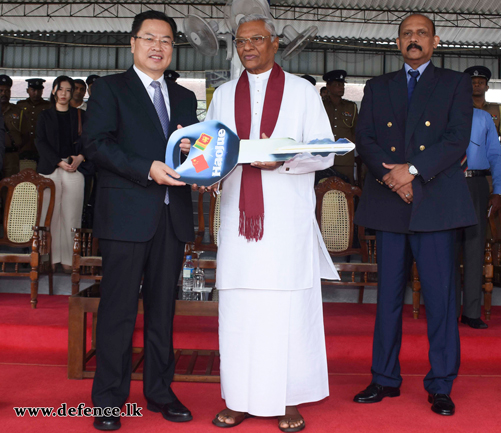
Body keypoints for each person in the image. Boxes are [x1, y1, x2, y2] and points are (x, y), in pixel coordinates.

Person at [206, 14, 338, 432]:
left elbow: (325, 153)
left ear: (275, 43)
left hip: (284, 219)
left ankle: (288, 399)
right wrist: (203, 170)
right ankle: (242, 397)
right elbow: (211, 152)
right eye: (240, 41)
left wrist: (282, 161)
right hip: (238, 220)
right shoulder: (223, 95)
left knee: (287, 309)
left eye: (256, 39)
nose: (247, 47)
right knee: (241, 308)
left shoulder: (302, 92)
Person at [352, 14, 475, 416]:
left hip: (434, 204)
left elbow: (457, 139)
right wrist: (393, 177)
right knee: (387, 297)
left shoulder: (455, 84)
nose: (414, 39)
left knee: (440, 299)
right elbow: (364, 138)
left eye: (422, 33)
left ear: (435, 41)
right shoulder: (377, 85)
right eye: (407, 34)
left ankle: (441, 383)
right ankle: (384, 378)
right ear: (398, 42)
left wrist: (413, 172)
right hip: (390, 203)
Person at [83, 10, 198, 431]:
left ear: (172, 48)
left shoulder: (185, 97)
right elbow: (95, 145)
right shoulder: (110, 89)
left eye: (166, 40)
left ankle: (160, 392)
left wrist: (195, 163)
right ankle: (108, 400)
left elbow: (188, 157)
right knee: (117, 311)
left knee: (163, 311)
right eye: (149, 38)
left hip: (172, 217)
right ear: (132, 43)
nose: (157, 46)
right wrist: (145, 167)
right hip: (126, 216)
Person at [455, 108, 501, 329]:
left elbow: (495, 153)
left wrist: (499, 189)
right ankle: (447, 310)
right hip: (446, 183)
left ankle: (472, 312)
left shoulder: (483, 117)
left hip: (476, 183)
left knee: (474, 248)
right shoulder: (440, 112)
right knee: (446, 250)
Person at [35, 75, 87, 272]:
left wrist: (80, 157)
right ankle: (48, 258)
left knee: (72, 215)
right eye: (60, 89)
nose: (64, 94)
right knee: (49, 215)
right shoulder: (44, 115)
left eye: (68, 90)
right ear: (54, 91)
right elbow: (40, 142)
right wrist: (57, 161)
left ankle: (69, 259)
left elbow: (89, 140)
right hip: (50, 169)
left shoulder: (80, 115)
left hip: (73, 168)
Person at [463, 66, 501, 158]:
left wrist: (495, 162)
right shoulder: (459, 109)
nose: (477, 85)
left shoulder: (498, 109)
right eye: (473, 82)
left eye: (481, 82)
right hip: (464, 164)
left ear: (487, 87)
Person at [322, 69, 358, 182]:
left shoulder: (351, 107)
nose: (341, 88)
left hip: (344, 160)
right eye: (337, 85)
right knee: (322, 191)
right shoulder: (320, 105)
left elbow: (356, 131)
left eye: (342, 85)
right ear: (328, 86)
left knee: (346, 190)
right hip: (323, 159)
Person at [16, 78, 51, 161]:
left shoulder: (48, 106)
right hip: (24, 147)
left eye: (39, 90)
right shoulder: (20, 105)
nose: (36, 93)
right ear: (27, 90)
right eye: (33, 90)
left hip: (42, 147)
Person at [1, 74, 21, 177]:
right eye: (1, 91)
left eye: (7, 91)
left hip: (11, 156)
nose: (4, 94)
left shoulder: (18, 111)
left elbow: (25, 134)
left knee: (10, 188)